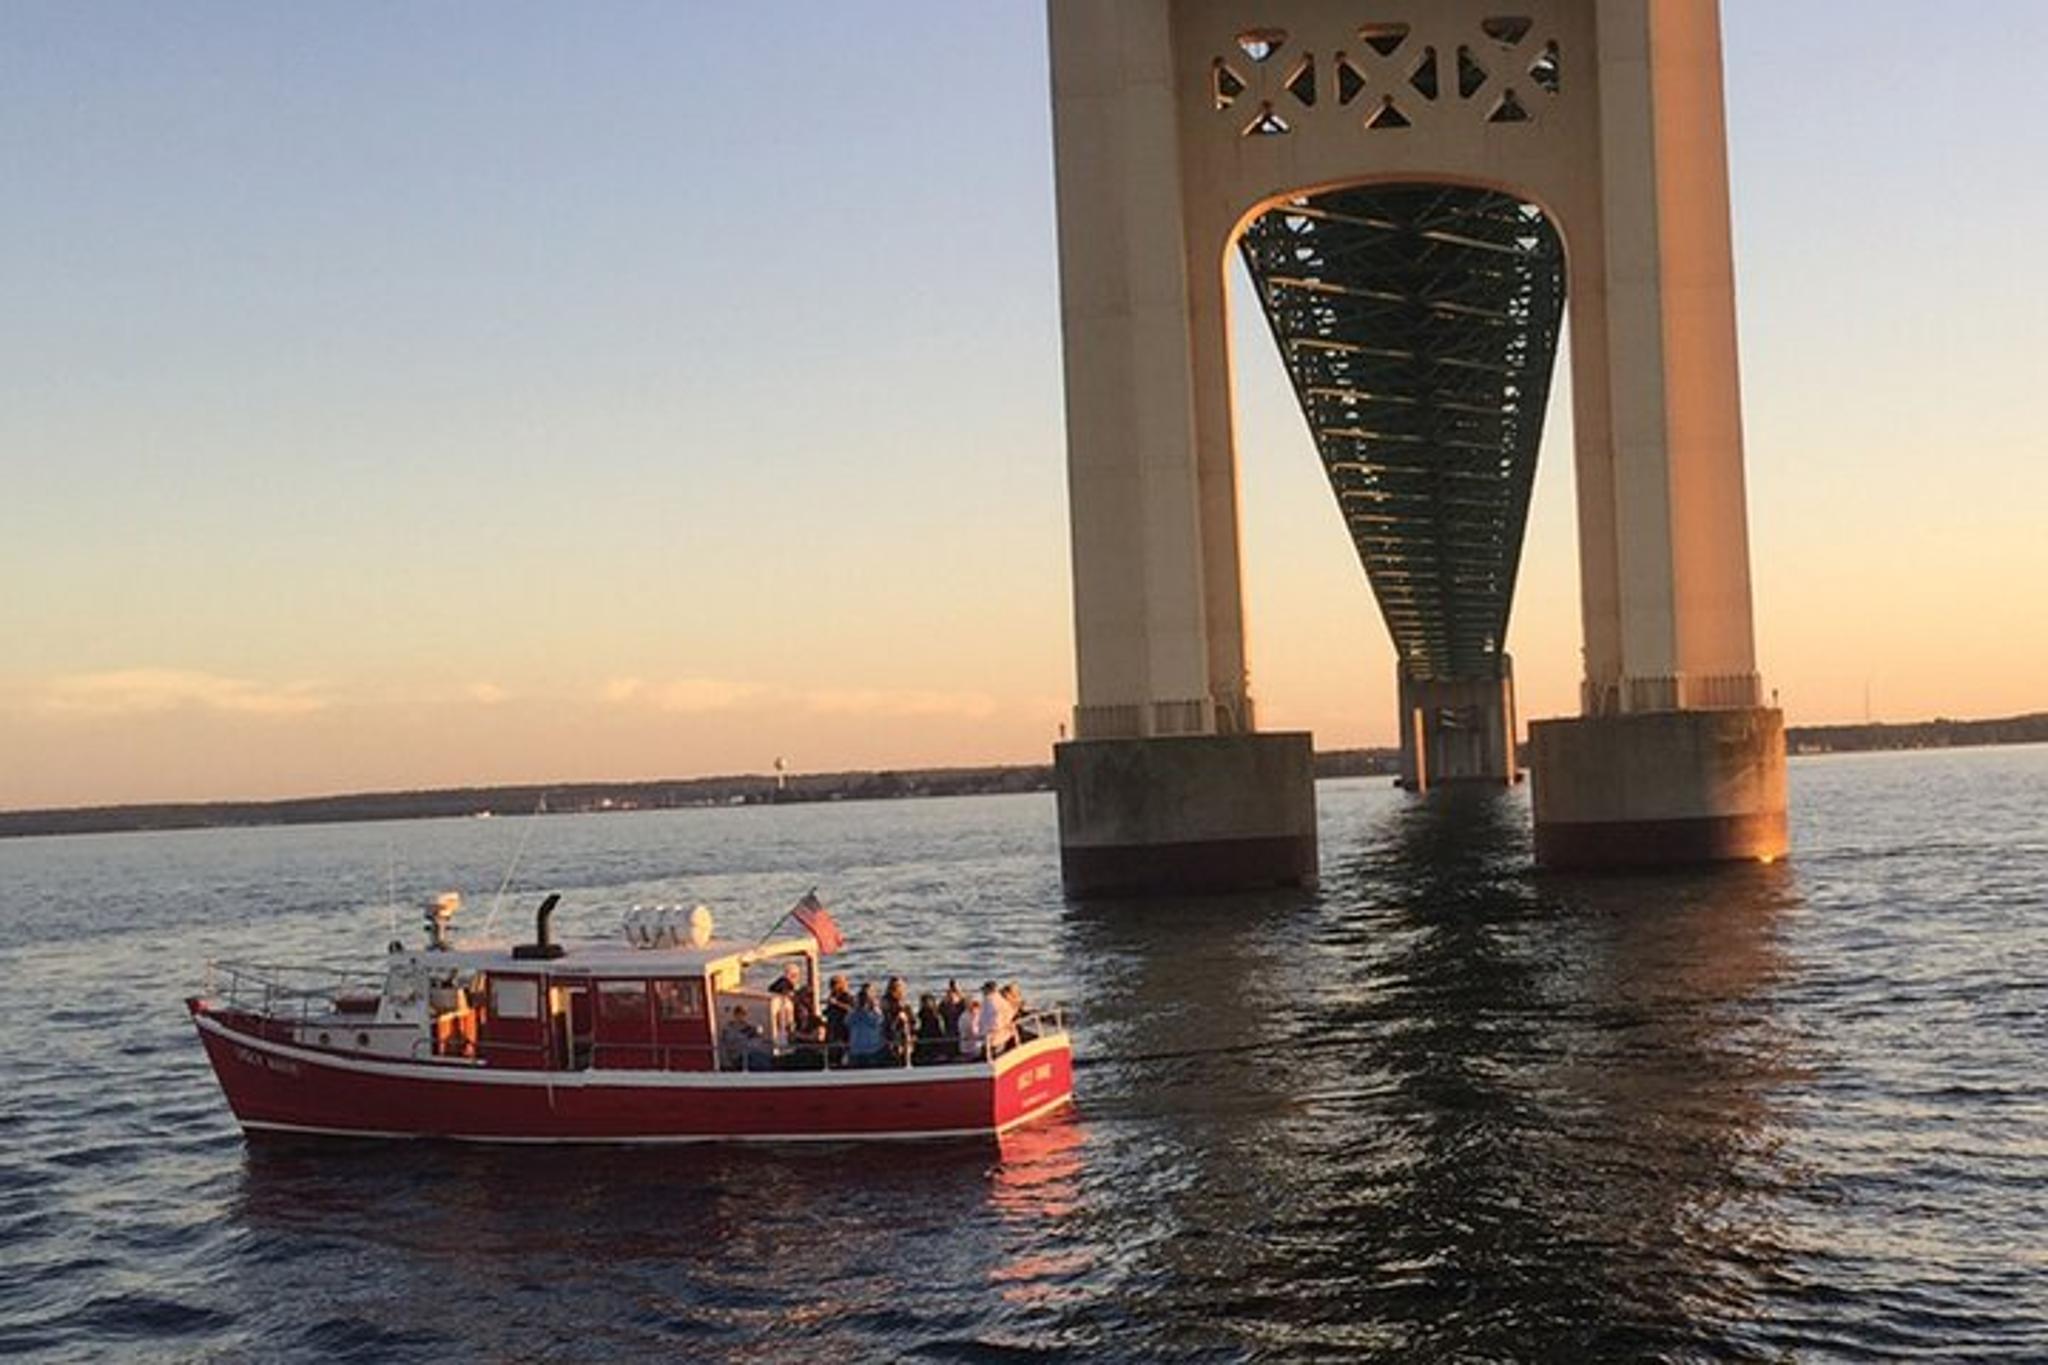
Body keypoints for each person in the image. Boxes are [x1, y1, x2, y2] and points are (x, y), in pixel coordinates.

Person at [846, 985, 886, 1068]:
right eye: (863, 996)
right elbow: (848, 1022)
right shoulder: (854, 1013)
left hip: (872, 1050)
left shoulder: (875, 1011)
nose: (864, 1000)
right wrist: (856, 1007)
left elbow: (878, 1021)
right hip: (856, 1050)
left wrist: (873, 1007)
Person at [882, 978, 915, 1066]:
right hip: (892, 1037)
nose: (897, 989)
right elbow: (886, 1023)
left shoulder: (905, 1004)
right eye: (895, 987)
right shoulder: (886, 1003)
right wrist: (897, 1018)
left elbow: (913, 1022)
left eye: (899, 986)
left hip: (905, 1037)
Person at [823, 973, 853, 1065]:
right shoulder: (833, 996)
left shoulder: (847, 997)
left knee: (841, 1052)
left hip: (842, 1029)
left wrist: (837, 1004)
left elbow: (851, 1009)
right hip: (833, 1029)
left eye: (834, 984)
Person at [719, 1004, 759, 1072]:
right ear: (735, 1015)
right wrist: (726, 1062)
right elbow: (724, 1045)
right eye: (740, 1014)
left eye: (744, 1014)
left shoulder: (750, 1028)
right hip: (735, 1057)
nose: (742, 1016)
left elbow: (756, 1043)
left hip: (748, 1055)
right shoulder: (728, 1029)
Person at [914, 992, 947, 1065]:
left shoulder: (937, 1017)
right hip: (923, 1045)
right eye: (923, 1002)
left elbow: (941, 1033)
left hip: (935, 1045)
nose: (925, 1004)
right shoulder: (920, 1015)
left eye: (927, 1002)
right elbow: (918, 1030)